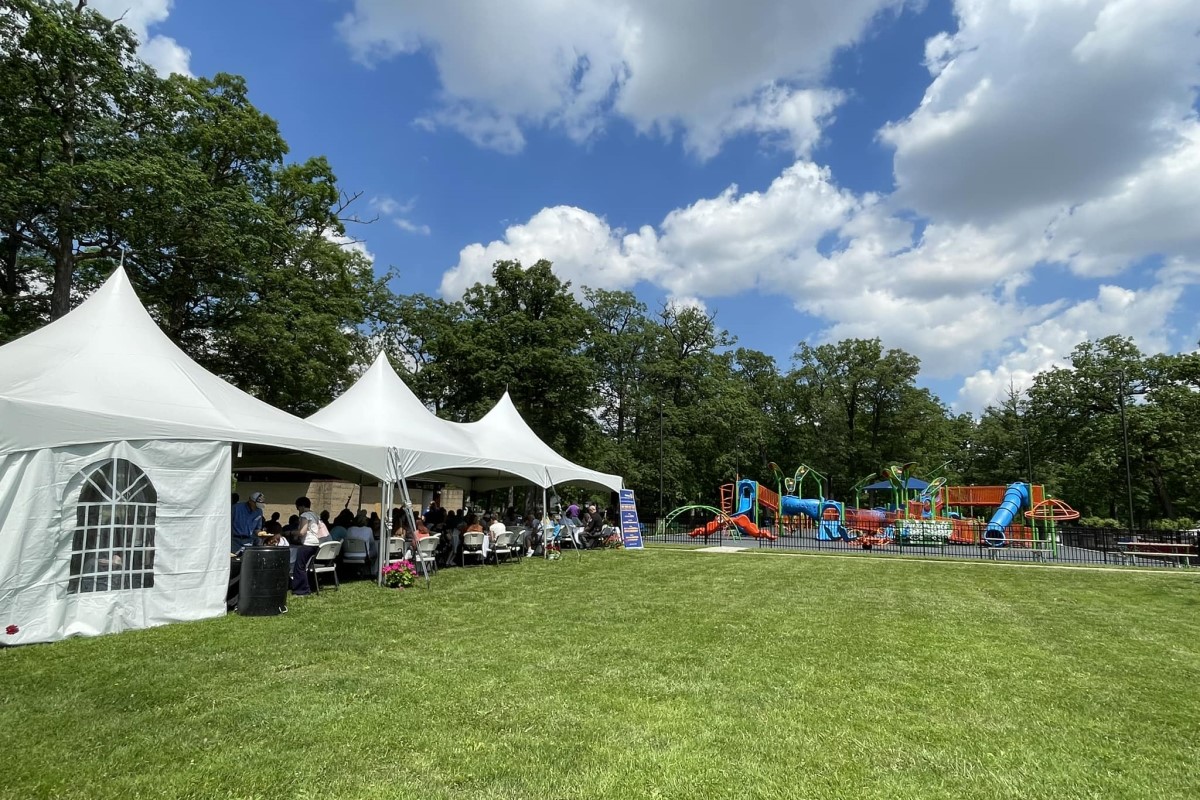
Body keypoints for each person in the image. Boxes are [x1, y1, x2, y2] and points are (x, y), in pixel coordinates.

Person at [291, 496, 322, 596]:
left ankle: (301, 590)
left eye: (298, 508)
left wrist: (290, 532)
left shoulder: (305, 515)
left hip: (308, 543)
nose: (298, 511)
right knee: (307, 566)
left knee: (299, 566)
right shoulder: (315, 515)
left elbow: (302, 532)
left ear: (302, 506)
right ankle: (309, 586)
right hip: (316, 543)